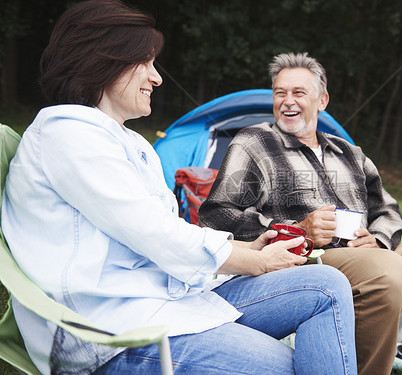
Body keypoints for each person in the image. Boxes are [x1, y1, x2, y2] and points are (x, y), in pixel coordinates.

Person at [1, 4, 357, 374]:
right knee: (286, 368)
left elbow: (164, 229)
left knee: (327, 285)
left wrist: (246, 248)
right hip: (109, 331)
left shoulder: (123, 139)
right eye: (147, 63)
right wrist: (255, 260)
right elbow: (152, 232)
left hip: (163, 301)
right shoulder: (68, 135)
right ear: (107, 61)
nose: (157, 78)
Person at [199, 52, 402, 375]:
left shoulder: (350, 153)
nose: (287, 102)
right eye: (280, 93)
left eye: (298, 93)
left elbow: (388, 210)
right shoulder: (254, 143)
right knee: (388, 272)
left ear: (322, 100)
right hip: (311, 258)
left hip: (368, 250)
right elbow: (216, 216)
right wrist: (299, 229)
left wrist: (377, 240)